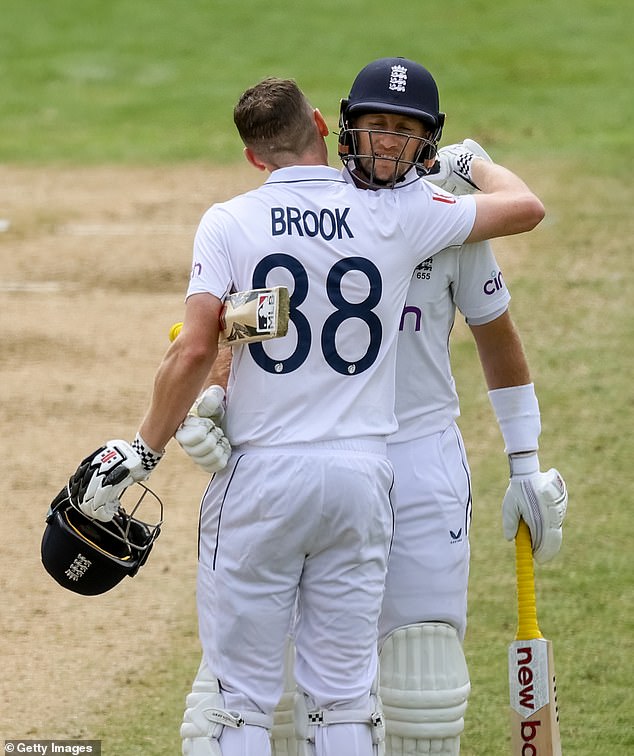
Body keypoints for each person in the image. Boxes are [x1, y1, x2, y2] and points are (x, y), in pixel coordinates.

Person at [177, 61, 566, 756]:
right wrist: (216, 397)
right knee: (271, 702)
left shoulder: (444, 215)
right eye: (377, 126)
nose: (387, 143)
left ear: (428, 140)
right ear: (342, 127)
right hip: (313, 455)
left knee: (420, 700)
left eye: (405, 130)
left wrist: (525, 461)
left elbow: (497, 339)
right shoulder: (318, 217)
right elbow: (257, 320)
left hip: (416, 462)